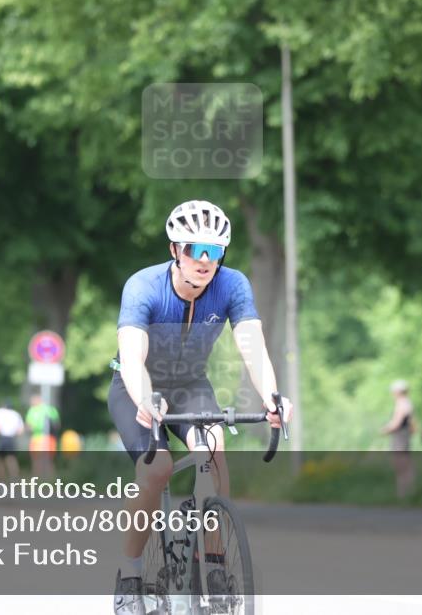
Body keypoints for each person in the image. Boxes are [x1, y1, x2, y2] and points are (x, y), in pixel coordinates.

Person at [107, 200, 293, 615]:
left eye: (215, 250)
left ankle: (213, 567)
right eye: (195, 249)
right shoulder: (144, 286)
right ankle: (130, 574)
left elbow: (252, 346)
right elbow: (132, 357)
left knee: (213, 449)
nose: (205, 260)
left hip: (191, 386)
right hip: (136, 387)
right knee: (157, 470)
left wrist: (271, 396)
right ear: (176, 249)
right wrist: (145, 400)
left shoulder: (233, 285)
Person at [381, 379, 416, 498]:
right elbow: (413, 426)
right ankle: (408, 493)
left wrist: (385, 430)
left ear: (398, 392)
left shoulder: (401, 403)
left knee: (401, 466)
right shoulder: (408, 402)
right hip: (404, 437)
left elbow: (396, 423)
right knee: (406, 464)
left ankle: (404, 494)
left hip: (399, 437)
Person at [26, 394, 60, 478]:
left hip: (37, 438)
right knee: (48, 460)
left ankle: (37, 480)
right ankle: (51, 480)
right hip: (50, 438)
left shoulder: (32, 410)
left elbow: (28, 426)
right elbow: (57, 424)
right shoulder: (51, 409)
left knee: (36, 460)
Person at [0, 402, 24, 481]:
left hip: (2, 438)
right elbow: (20, 431)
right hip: (11, 438)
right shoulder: (16, 414)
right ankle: (14, 478)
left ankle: (0, 480)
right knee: (12, 458)